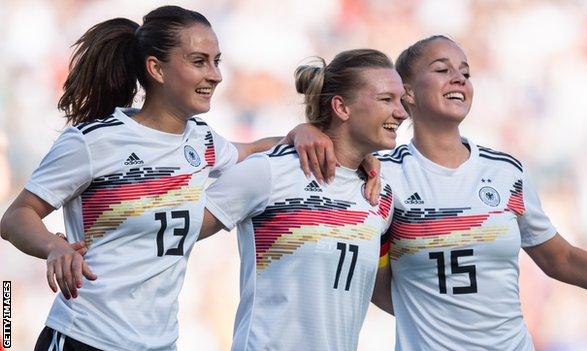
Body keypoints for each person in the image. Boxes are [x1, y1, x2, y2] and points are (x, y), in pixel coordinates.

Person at [0, 5, 340, 350]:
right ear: (156, 69)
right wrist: (53, 246)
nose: (216, 75)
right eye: (199, 61)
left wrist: (300, 132)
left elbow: (253, 150)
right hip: (85, 337)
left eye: (216, 61)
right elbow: (15, 217)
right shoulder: (93, 141)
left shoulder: (202, 141)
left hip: (160, 343)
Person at [371, 35, 587, 350]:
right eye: (441, 69)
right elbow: (373, 280)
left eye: (465, 72)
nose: (459, 78)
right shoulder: (381, 173)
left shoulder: (505, 172)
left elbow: (561, 259)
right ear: (407, 91)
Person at [197, 48, 408, 350]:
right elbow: (178, 230)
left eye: (400, 100)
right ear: (342, 107)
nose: (400, 112)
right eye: (386, 100)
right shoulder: (272, 172)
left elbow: (381, 288)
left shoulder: (380, 194)